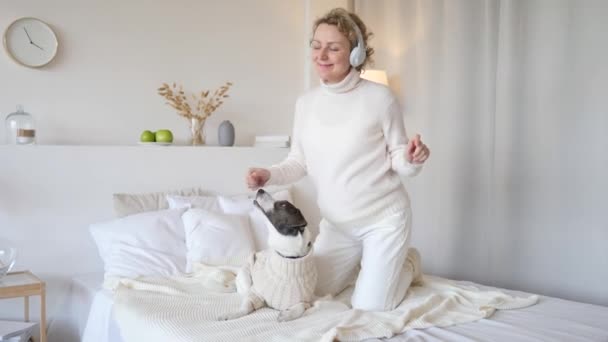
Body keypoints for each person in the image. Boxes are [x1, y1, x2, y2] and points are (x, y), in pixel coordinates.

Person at [245, 8, 430, 312]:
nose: (322, 54)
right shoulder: (306, 104)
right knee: (307, 293)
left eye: (334, 47)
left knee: (369, 307)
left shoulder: (380, 98)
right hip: (337, 226)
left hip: (382, 221)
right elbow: (298, 162)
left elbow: (400, 159)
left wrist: (413, 159)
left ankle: (408, 264)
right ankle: (368, 268)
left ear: (356, 53)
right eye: (317, 46)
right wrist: (268, 175)